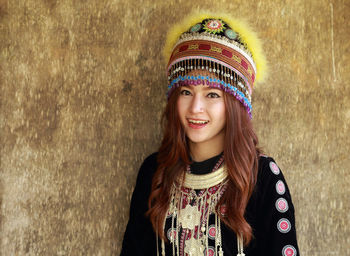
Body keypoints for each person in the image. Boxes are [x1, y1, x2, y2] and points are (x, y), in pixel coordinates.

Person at [121, 11, 300, 256]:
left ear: (235, 105)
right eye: (186, 92)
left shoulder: (262, 177)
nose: (195, 108)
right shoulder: (154, 172)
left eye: (212, 94)